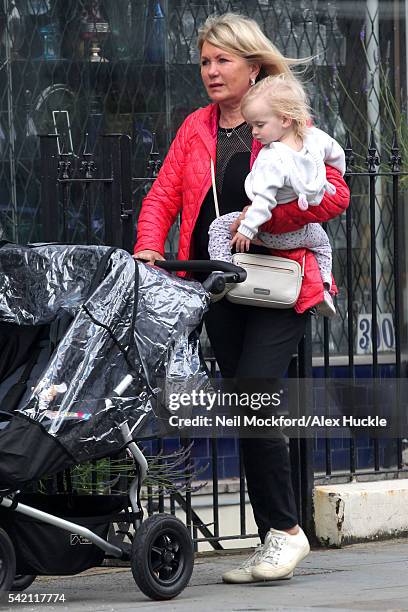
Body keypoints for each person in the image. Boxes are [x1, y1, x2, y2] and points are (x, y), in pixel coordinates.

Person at [134, 12, 350, 583]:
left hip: (282, 282)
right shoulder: (195, 128)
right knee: (248, 407)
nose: (211, 71)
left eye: (222, 60)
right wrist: (149, 247)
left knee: (256, 391)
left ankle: (285, 531)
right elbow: (161, 196)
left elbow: (335, 195)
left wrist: (267, 218)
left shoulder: (283, 120)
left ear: (253, 65)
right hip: (221, 285)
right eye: (204, 61)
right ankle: (272, 537)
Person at [208, 73, 346, 317]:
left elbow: (263, 201)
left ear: (284, 119)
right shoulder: (313, 140)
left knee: (219, 227)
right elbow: (336, 154)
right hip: (303, 234)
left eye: (259, 125)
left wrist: (247, 229)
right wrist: (332, 175)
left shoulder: (272, 157)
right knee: (323, 245)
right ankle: (324, 289)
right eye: (251, 125)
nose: (254, 132)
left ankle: (223, 272)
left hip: (268, 233)